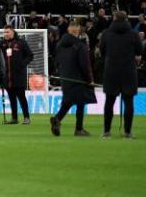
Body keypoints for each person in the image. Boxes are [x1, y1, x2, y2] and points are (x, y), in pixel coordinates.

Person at [99, 11, 143, 139]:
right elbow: (139, 51)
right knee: (128, 102)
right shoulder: (133, 34)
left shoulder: (107, 33)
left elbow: (102, 51)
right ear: (126, 19)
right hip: (128, 71)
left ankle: (107, 131)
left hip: (111, 71)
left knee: (109, 102)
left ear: (114, 18)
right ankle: (127, 132)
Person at [51, 19, 96, 137]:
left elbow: (56, 61)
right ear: (78, 30)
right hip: (78, 78)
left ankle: (57, 119)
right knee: (80, 102)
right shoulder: (80, 45)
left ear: (68, 29)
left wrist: (61, 74)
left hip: (65, 78)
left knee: (68, 101)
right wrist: (89, 79)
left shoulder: (59, 44)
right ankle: (79, 129)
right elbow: (84, 64)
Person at [1, 25, 34, 124]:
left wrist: (22, 64)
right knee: (11, 98)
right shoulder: (2, 44)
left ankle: (26, 117)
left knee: (21, 97)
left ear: (13, 32)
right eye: (4, 32)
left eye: (7, 32)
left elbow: (30, 55)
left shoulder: (21, 43)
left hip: (19, 76)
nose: (5, 34)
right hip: (7, 76)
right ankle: (14, 118)